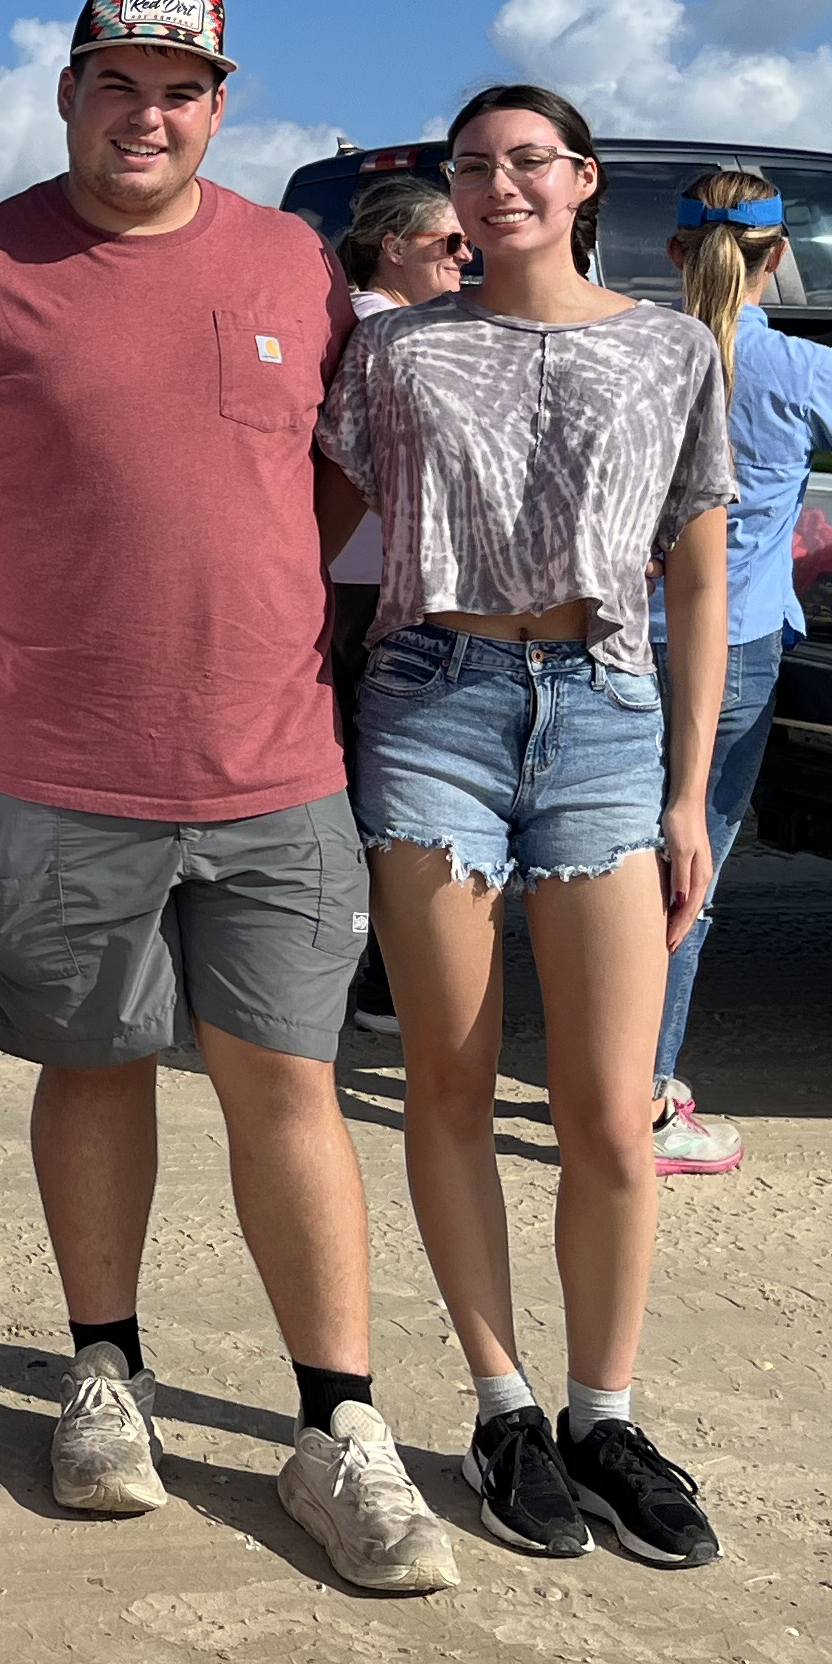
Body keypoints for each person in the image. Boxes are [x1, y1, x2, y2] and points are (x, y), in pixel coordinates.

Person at [0, 0, 459, 1598]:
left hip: (272, 758)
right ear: (67, 90)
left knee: (288, 1085)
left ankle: (337, 1425)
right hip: (48, 756)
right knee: (93, 1064)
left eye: (180, 86)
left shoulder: (290, 259)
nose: (148, 112)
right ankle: (102, 1370)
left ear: (223, 102)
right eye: (117, 80)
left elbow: (347, 454)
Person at [320, 82, 734, 1572]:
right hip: (435, 700)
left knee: (610, 1110)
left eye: (528, 163)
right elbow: (303, 521)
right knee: (447, 1072)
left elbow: (699, 575)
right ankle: (501, 1408)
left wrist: (691, 792)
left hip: (610, 717)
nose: (500, 186)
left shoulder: (670, 347)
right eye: (474, 167)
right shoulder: (395, 349)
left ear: (581, 182)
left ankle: (605, 1413)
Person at [650, 164, 832, 1175]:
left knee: (611, 861)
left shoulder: (635, 353)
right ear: (779, 257)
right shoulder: (802, 369)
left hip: (616, 638)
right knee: (687, 875)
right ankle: (645, 1103)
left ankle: (610, 1072)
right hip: (738, 644)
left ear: (674, 253)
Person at [331, 176, 465, 1039]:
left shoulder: (342, 319)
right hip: (370, 576)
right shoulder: (386, 331)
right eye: (447, 243)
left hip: (341, 569)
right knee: (387, 772)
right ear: (393, 245)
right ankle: (382, 972)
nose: (466, 257)